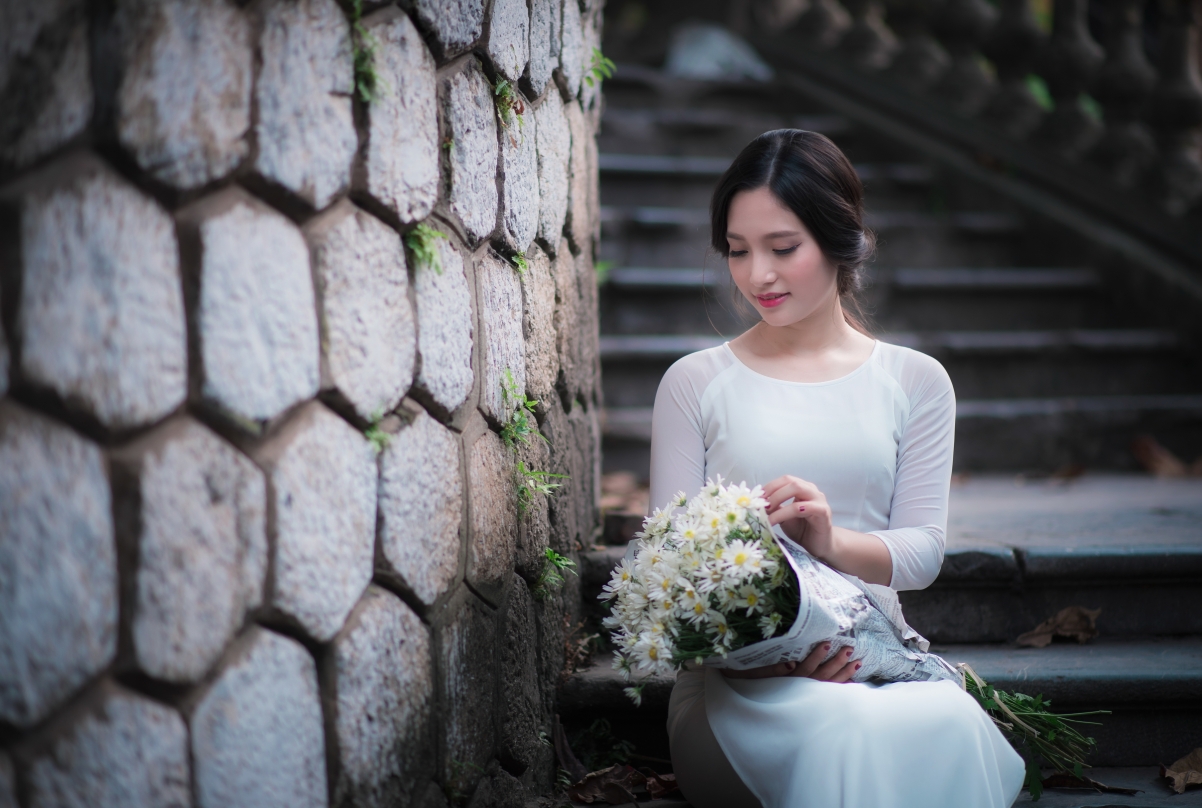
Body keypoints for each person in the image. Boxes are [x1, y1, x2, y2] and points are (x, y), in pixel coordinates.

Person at [640, 129, 1026, 808]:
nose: (757, 274)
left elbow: (923, 553)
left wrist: (829, 541)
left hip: (872, 664)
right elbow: (665, 563)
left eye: (783, 248)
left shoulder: (916, 380)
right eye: (737, 250)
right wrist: (768, 656)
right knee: (844, 731)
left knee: (945, 720)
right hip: (740, 689)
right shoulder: (694, 383)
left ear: (840, 241)